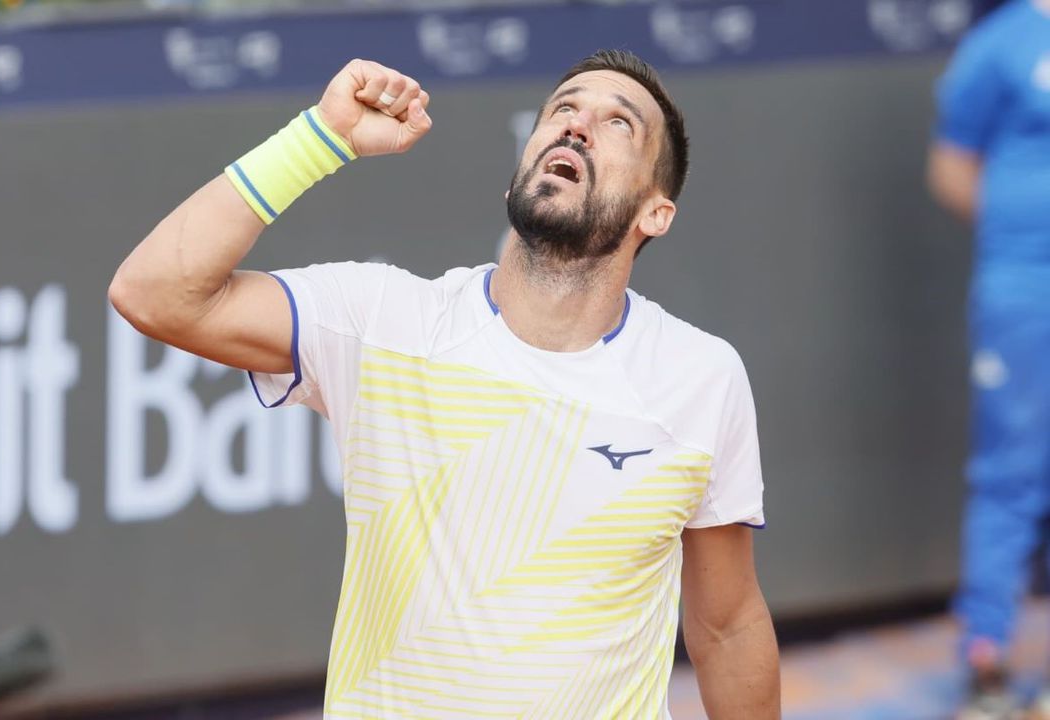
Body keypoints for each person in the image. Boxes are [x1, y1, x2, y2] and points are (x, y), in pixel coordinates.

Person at [110, 50, 780, 719]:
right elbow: (154, 294)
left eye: (618, 124)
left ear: (655, 214)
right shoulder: (382, 321)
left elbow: (726, 627)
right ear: (517, 178)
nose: (576, 126)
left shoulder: (701, 378)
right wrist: (321, 136)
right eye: (563, 109)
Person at [927, 2, 1050, 718]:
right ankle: (986, 658)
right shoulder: (999, 45)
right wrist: (1024, 231)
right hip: (1025, 290)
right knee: (1011, 470)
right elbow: (951, 167)